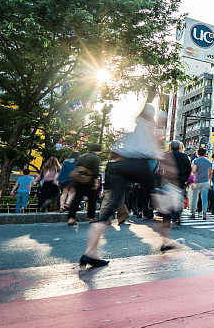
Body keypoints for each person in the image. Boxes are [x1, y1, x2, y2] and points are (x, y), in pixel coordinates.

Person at [80, 105, 163, 268]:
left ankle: (89, 253)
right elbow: (157, 153)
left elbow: (117, 147)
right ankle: (167, 236)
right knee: (155, 194)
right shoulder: (149, 129)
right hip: (140, 165)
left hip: (122, 166)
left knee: (108, 211)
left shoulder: (132, 130)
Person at [66, 145, 102, 225]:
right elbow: (96, 171)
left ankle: (71, 218)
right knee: (92, 199)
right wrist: (96, 182)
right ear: (97, 151)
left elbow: (76, 167)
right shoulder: (95, 158)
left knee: (76, 199)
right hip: (89, 181)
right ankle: (91, 218)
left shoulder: (81, 156)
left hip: (78, 180)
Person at [168, 140, 191, 225]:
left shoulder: (166, 156)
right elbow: (189, 168)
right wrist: (186, 177)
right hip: (181, 179)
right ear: (179, 147)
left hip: (169, 179)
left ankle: (172, 215)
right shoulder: (184, 156)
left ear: (170, 147)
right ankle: (177, 213)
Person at [189, 148, 212, 220]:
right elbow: (210, 172)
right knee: (204, 198)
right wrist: (209, 181)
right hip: (205, 181)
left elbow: (193, 171)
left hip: (196, 181)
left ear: (197, 153)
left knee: (195, 198)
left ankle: (193, 214)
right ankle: (204, 214)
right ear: (205, 154)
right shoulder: (208, 162)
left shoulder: (195, 161)